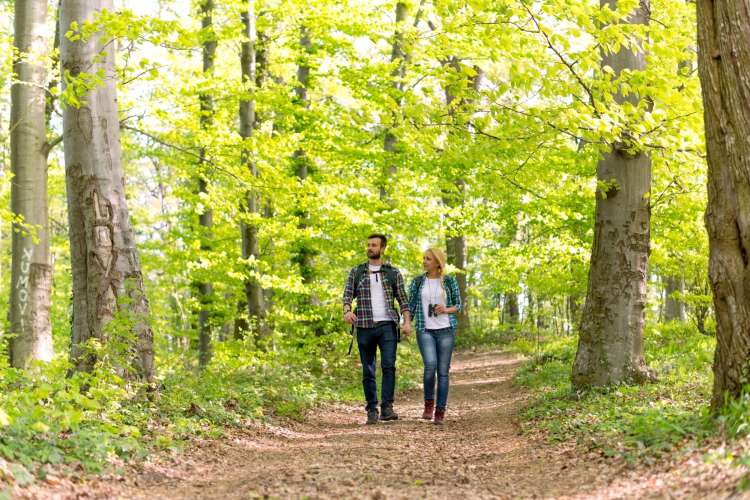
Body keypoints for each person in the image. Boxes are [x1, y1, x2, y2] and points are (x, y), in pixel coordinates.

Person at [342, 234, 412, 425]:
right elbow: (347, 296)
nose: (370, 248)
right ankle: (371, 409)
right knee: (368, 370)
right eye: (368, 245)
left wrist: (407, 322)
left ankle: (387, 408)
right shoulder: (356, 272)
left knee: (389, 366)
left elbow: (403, 300)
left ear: (382, 249)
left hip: (388, 325)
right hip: (364, 326)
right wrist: (347, 311)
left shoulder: (393, 273)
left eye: (374, 245)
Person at [408, 248, 462, 424]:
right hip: (425, 330)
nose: (424, 261)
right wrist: (406, 323)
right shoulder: (417, 282)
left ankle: (440, 410)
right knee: (430, 365)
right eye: (423, 258)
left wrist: (445, 309)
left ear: (437, 262)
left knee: (443, 371)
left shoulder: (449, 281)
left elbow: (458, 305)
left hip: (446, 329)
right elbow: (411, 306)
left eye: (428, 259)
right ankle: (428, 404)